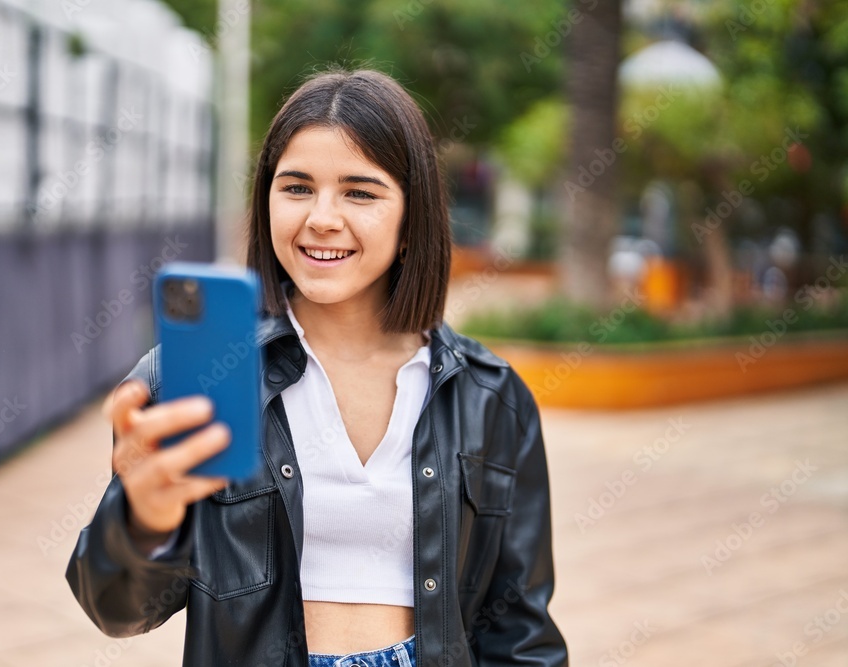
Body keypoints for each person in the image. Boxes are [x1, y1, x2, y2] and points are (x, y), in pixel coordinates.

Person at [66, 68, 568, 667]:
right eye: (297, 187)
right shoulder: (192, 378)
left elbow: (520, 634)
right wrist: (143, 522)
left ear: (412, 219)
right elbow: (117, 610)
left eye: (360, 192)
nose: (322, 217)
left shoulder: (492, 398)